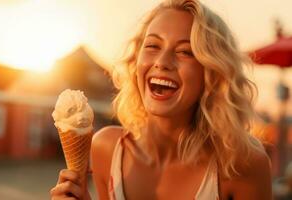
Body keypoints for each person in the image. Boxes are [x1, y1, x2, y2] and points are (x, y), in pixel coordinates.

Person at [50, 0, 272, 199]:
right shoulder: (105, 148)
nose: (162, 62)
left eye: (185, 51)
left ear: (212, 73)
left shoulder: (243, 165)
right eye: (153, 46)